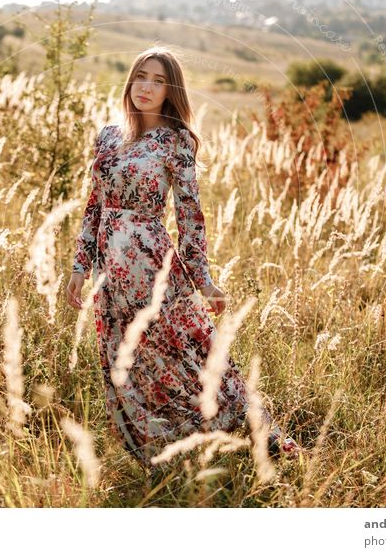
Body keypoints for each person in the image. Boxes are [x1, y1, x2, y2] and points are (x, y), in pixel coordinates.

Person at [65, 47, 299, 470]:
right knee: (127, 361)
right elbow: (94, 205)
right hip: (107, 272)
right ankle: (159, 453)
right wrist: (80, 268)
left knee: (187, 353)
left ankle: (243, 430)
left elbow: (191, 217)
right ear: (130, 81)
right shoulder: (107, 136)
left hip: (152, 265)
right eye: (141, 76)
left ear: (171, 91)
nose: (147, 87)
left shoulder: (176, 142)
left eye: (158, 80)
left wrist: (203, 280)